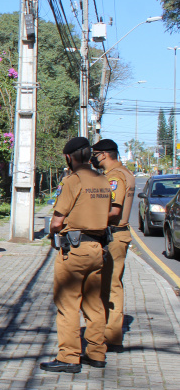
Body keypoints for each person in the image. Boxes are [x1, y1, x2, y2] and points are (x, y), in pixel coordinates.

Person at [40, 137, 112, 373]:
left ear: (69, 158)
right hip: (97, 249)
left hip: (75, 249)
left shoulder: (73, 180)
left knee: (68, 304)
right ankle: (96, 353)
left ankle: (69, 356)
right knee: (94, 304)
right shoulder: (103, 180)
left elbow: (58, 220)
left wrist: (52, 231)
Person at [91, 138, 136, 353]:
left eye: (95, 153)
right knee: (109, 285)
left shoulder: (115, 177)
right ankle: (109, 332)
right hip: (117, 235)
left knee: (111, 287)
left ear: (104, 154)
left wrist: (87, 218)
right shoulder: (124, 172)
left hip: (114, 236)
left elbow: (114, 210)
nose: (93, 157)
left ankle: (112, 337)